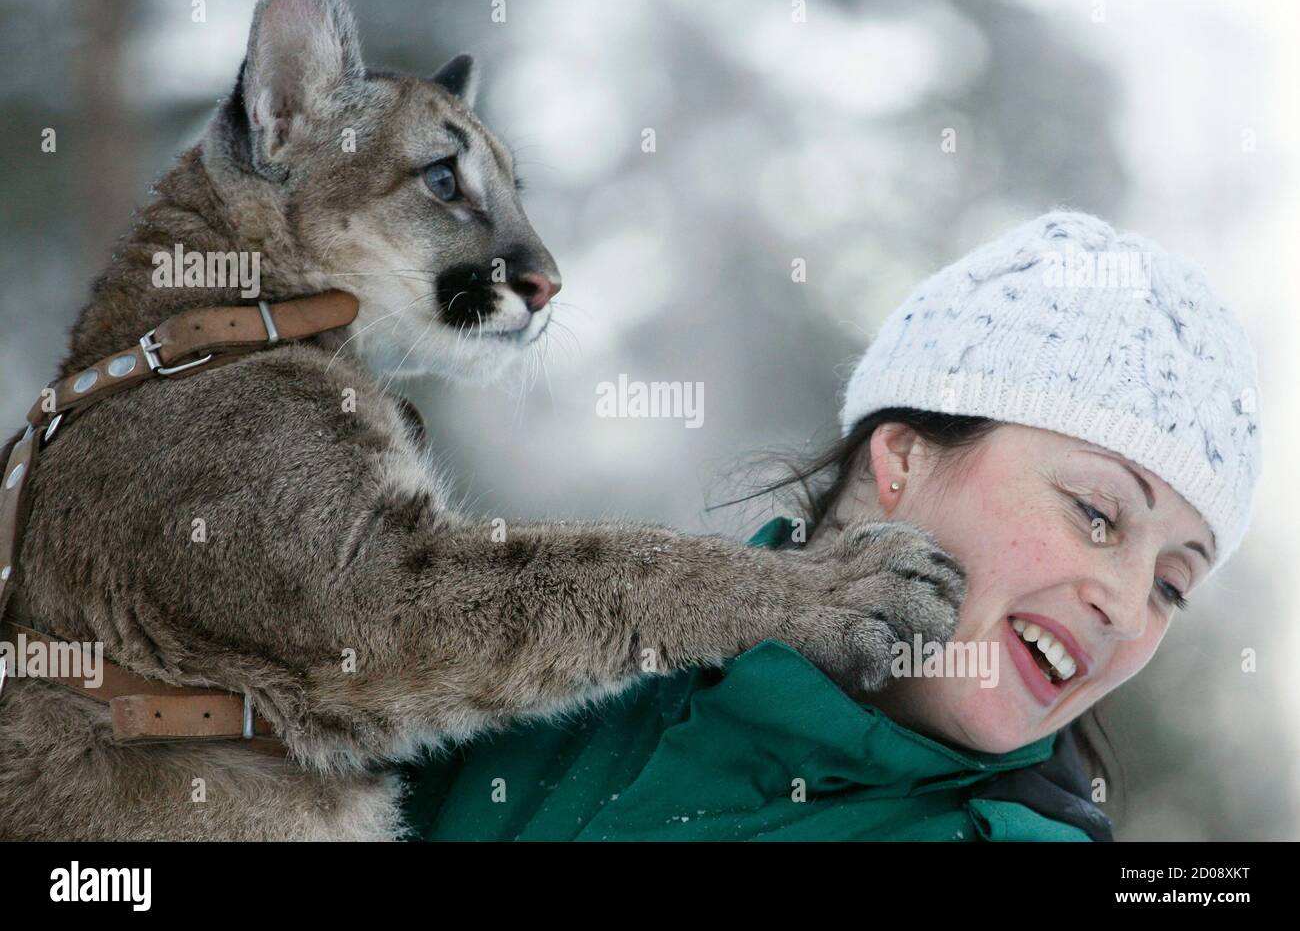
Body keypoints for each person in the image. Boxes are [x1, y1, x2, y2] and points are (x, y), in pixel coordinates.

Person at [395, 210, 1262, 841]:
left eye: (1171, 586)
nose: (1124, 602)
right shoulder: (551, 675)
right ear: (903, 459)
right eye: (1098, 514)